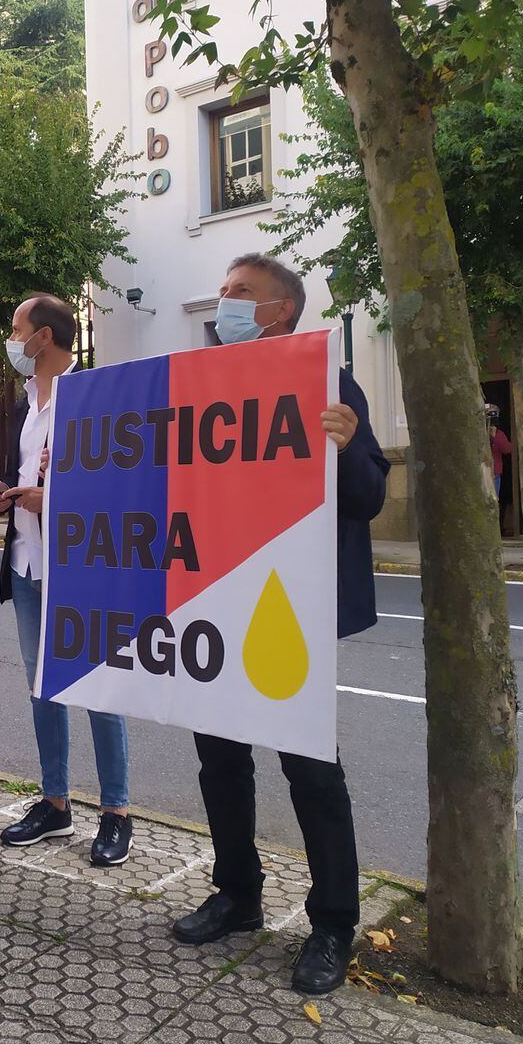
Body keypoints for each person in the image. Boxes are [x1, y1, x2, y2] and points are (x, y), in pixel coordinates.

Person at [168, 253, 390, 997]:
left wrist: (345, 439)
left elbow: (368, 497)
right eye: (223, 288)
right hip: (212, 601)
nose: (225, 301)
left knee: (310, 769)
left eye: (240, 294)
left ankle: (331, 923)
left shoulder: (328, 381)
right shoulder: (201, 383)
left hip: (285, 611)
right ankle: (238, 892)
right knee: (219, 759)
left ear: (281, 311)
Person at [0, 293, 134, 868]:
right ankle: (55, 802)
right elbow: (31, 473)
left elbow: (121, 483)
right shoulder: (25, 401)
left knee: (97, 688)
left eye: (17, 328)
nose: (12, 338)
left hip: (80, 568)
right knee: (42, 686)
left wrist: (58, 499)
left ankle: (117, 813)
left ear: (43, 336)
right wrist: (6, 495)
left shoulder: (97, 393)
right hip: (26, 563)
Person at [487, 404, 513, 498]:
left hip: (495, 473)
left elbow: (507, 449)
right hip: (483, 472)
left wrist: (495, 437)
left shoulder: (498, 433)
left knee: (494, 500)